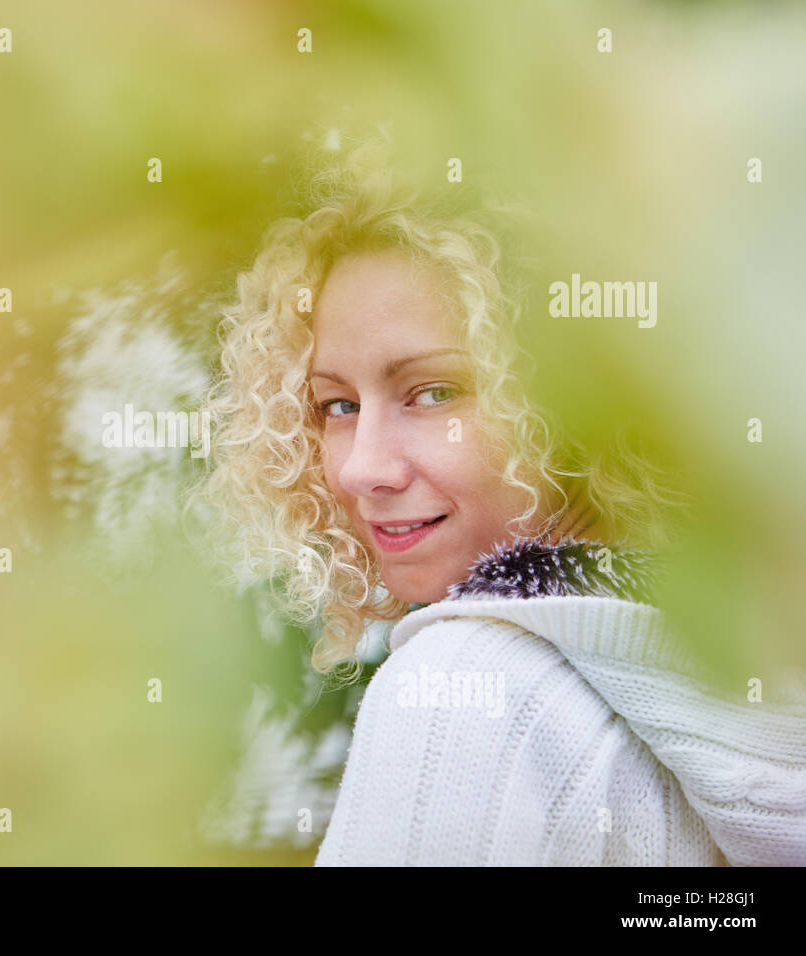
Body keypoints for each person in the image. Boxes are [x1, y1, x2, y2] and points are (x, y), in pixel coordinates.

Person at [194, 140, 806, 865]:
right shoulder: (743, 675)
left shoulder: (456, 688)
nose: (362, 469)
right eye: (336, 405)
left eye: (434, 392)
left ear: (583, 403)